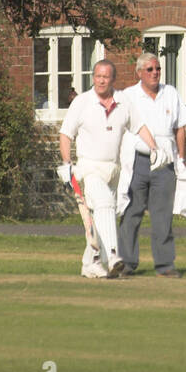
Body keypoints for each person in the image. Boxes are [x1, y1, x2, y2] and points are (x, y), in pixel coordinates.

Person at [117, 54, 186, 278]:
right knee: (132, 212)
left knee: (163, 216)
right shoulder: (128, 96)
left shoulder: (170, 93)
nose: (155, 73)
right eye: (149, 69)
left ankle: (165, 265)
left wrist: (181, 159)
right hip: (137, 160)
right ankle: (126, 263)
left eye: (157, 69)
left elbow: (180, 129)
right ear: (139, 72)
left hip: (166, 161)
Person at [57, 60, 129, 279]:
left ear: (112, 79)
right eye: (98, 76)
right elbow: (66, 134)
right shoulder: (81, 102)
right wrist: (67, 163)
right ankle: (113, 256)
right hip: (88, 168)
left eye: (105, 76)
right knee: (105, 206)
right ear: (93, 77)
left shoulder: (120, 102)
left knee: (103, 216)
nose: (101, 80)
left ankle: (91, 262)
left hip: (112, 169)